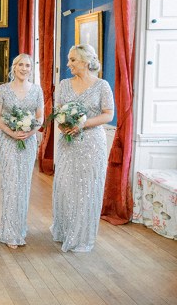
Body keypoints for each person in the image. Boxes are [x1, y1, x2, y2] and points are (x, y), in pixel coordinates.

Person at [51, 44, 114, 252]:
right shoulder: (64, 84)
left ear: (86, 62)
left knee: (87, 188)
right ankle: (65, 230)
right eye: (69, 59)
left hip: (91, 143)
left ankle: (81, 235)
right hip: (67, 143)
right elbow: (58, 112)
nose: (68, 64)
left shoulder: (102, 85)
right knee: (66, 187)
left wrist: (81, 125)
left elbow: (108, 114)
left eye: (72, 60)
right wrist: (63, 125)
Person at [0, 54, 44, 249]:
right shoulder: (3, 90)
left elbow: (40, 117)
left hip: (28, 142)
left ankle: (20, 229)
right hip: (8, 141)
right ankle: (9, 232)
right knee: (11, 183)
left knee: (23, 185)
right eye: (20, 65)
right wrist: (10, 132)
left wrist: (29, 132)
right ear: (13, 67)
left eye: (28, 65)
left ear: (31, 68)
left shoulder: (37, 90)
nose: (24, 68)